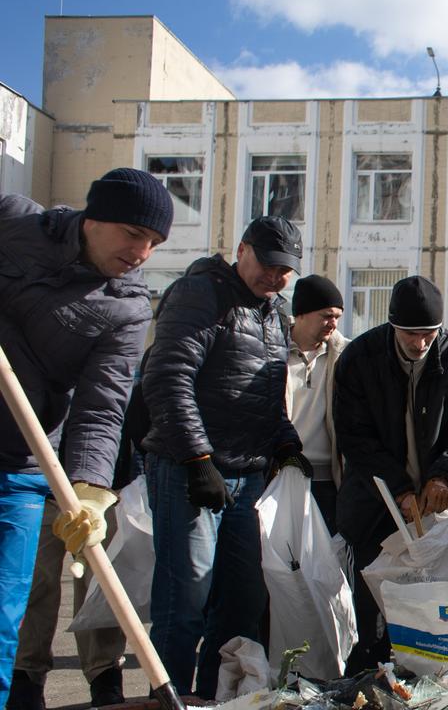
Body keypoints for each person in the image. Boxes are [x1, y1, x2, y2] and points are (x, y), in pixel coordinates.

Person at [0, 168, 171, 708]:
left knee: (6, 606)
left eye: (153, 242)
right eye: (132, 234)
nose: (141, 252)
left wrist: (92, 489)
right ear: (93, 219)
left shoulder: (126, 308)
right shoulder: (12, 222)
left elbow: (102, 407)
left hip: (22, 461)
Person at [141, 215, 305, 698]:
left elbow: (264, 395)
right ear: (242, 250)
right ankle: (167, 696)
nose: (275, 277)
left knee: (242, 599)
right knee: (186, 594)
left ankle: (215, 697)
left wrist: (285, 441)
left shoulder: (276, 314)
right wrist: (197, 459)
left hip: (247, 473)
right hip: (187, 469)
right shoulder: (200, 295)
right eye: (269, 265)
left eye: (285, 270)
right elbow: (168, 377)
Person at [333, 276, 448, 672]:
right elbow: (355, 438)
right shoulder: (359, 360)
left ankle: (422, 677)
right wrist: (399, 490)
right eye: (410, 334)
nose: (420, 343)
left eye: (428, 334)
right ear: (393, 326)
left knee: (431, 607)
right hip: (373, 505)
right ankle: (368, 679)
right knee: (372, 604)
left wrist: (444, 478)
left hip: (430, 510)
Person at [284, 274, 348, 531]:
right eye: (326, 315)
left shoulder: (344, 357)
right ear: (300, 314)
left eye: (337, 317)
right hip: (280, 474)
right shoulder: (271, 351)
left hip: (327, 481)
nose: (332, 323)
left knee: (325, 561)